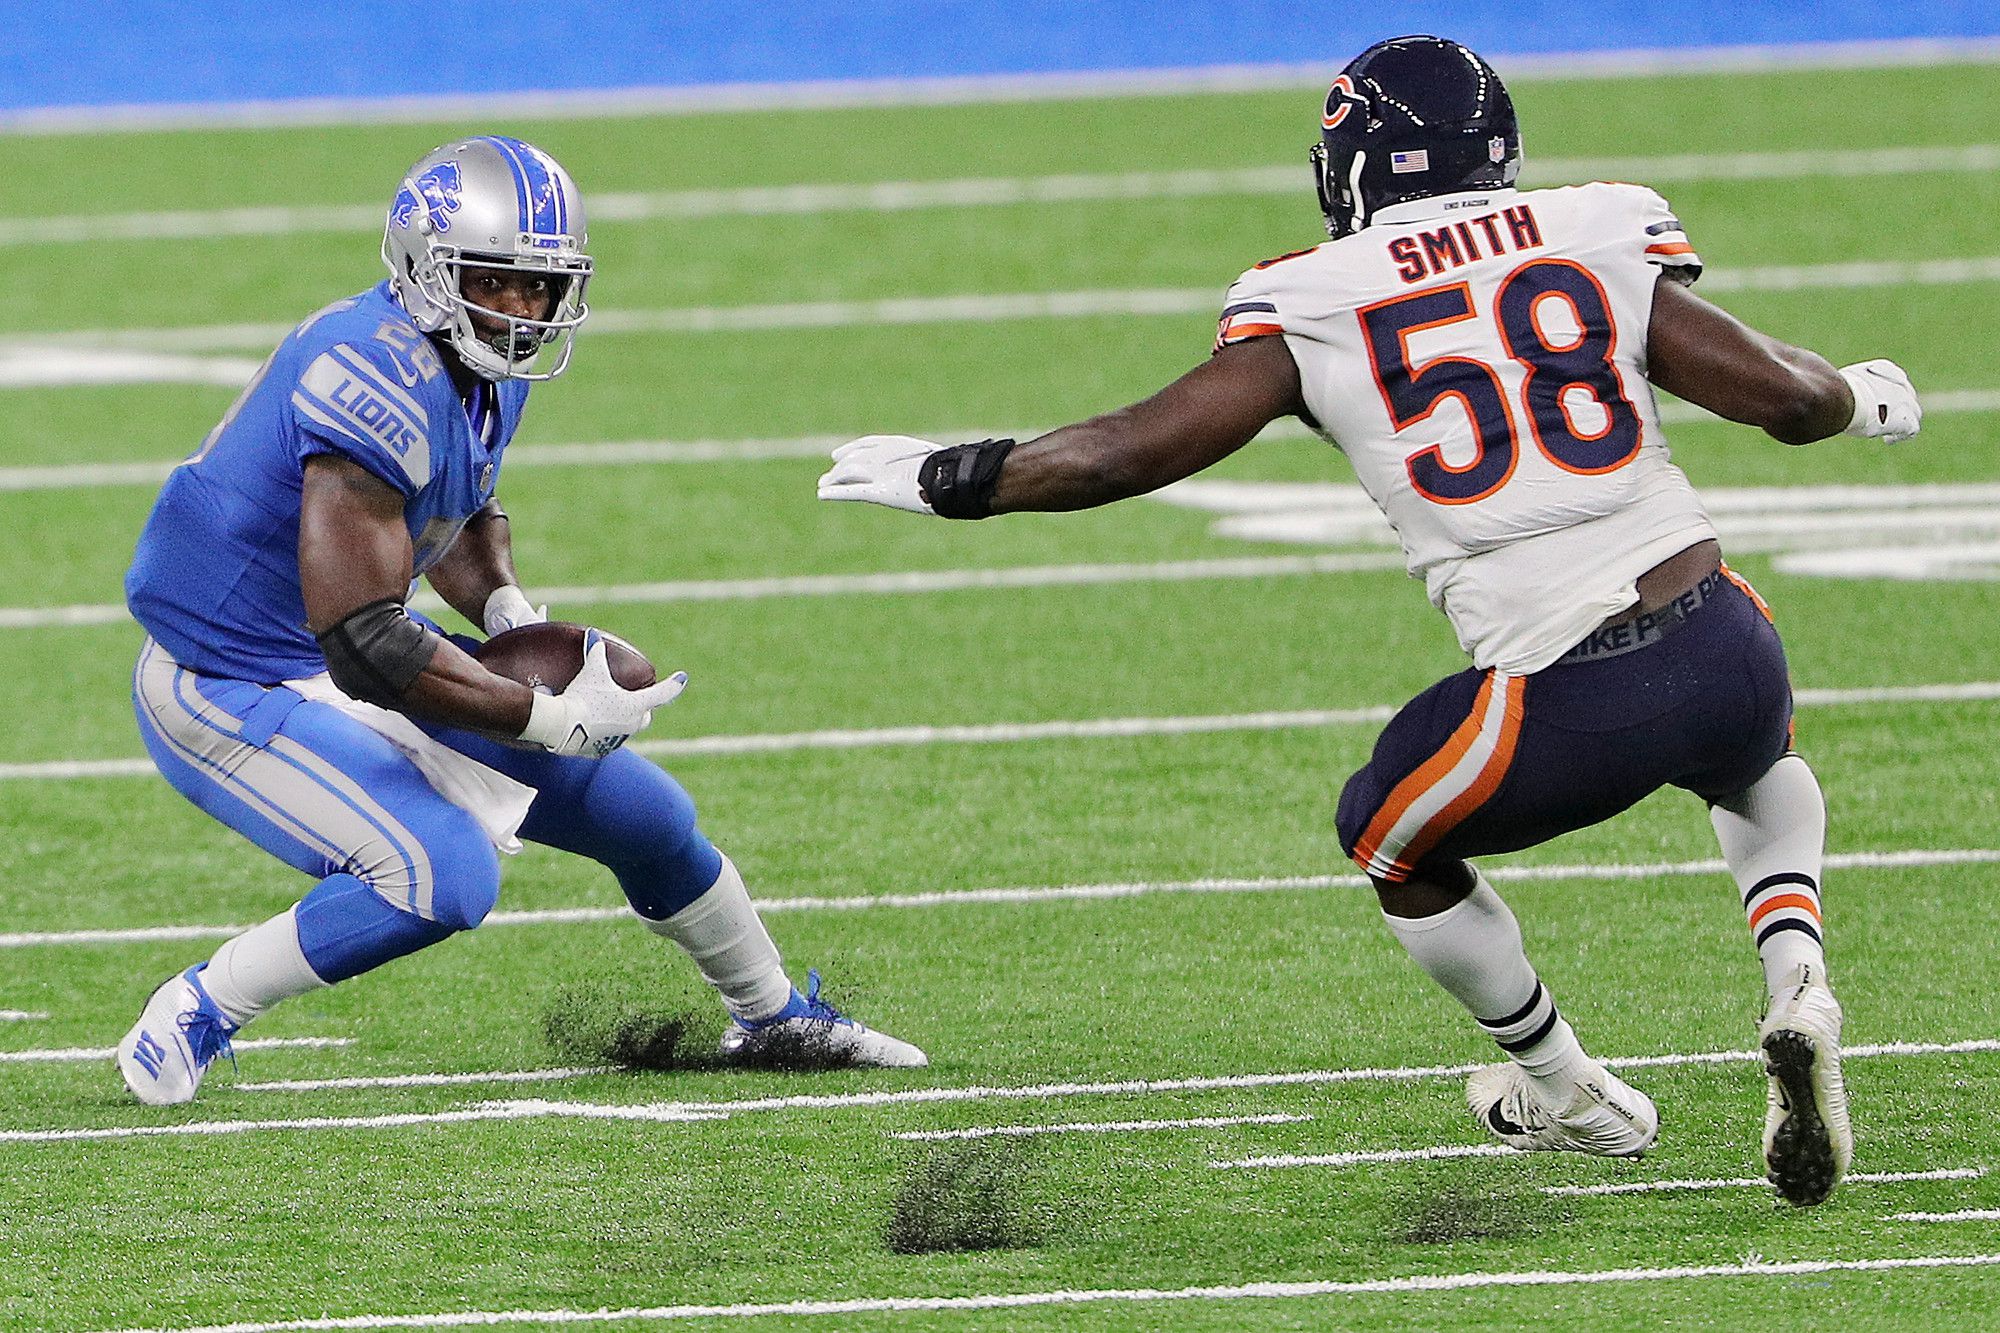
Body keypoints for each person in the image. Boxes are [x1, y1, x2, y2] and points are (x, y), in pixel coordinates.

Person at [818, 36, 1920, 1207]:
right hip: (1719, 639)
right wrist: (1862, 397)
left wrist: (954, 475)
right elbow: (1787, 399)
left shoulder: (1312, 296)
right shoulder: (1596, 224)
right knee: (1754, 758)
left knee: (1387, 831)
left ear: (1357, 161)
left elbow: (1122, 454)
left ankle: (1562, 1087)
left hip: (1565, 688)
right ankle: (1794, 974)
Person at [116, 135, 925, 1106]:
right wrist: (538, 716)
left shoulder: (474, 363)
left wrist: (506, 609)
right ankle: (201, 1003)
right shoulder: (364, 375)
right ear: (426, 269)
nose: (526, 309)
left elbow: (454, 517)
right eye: (501, 281)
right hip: (225, 677)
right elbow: (364, 640)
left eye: (544, 287)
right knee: (439, 873)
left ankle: (773, 1017)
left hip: (338, 650)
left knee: (646, 813)